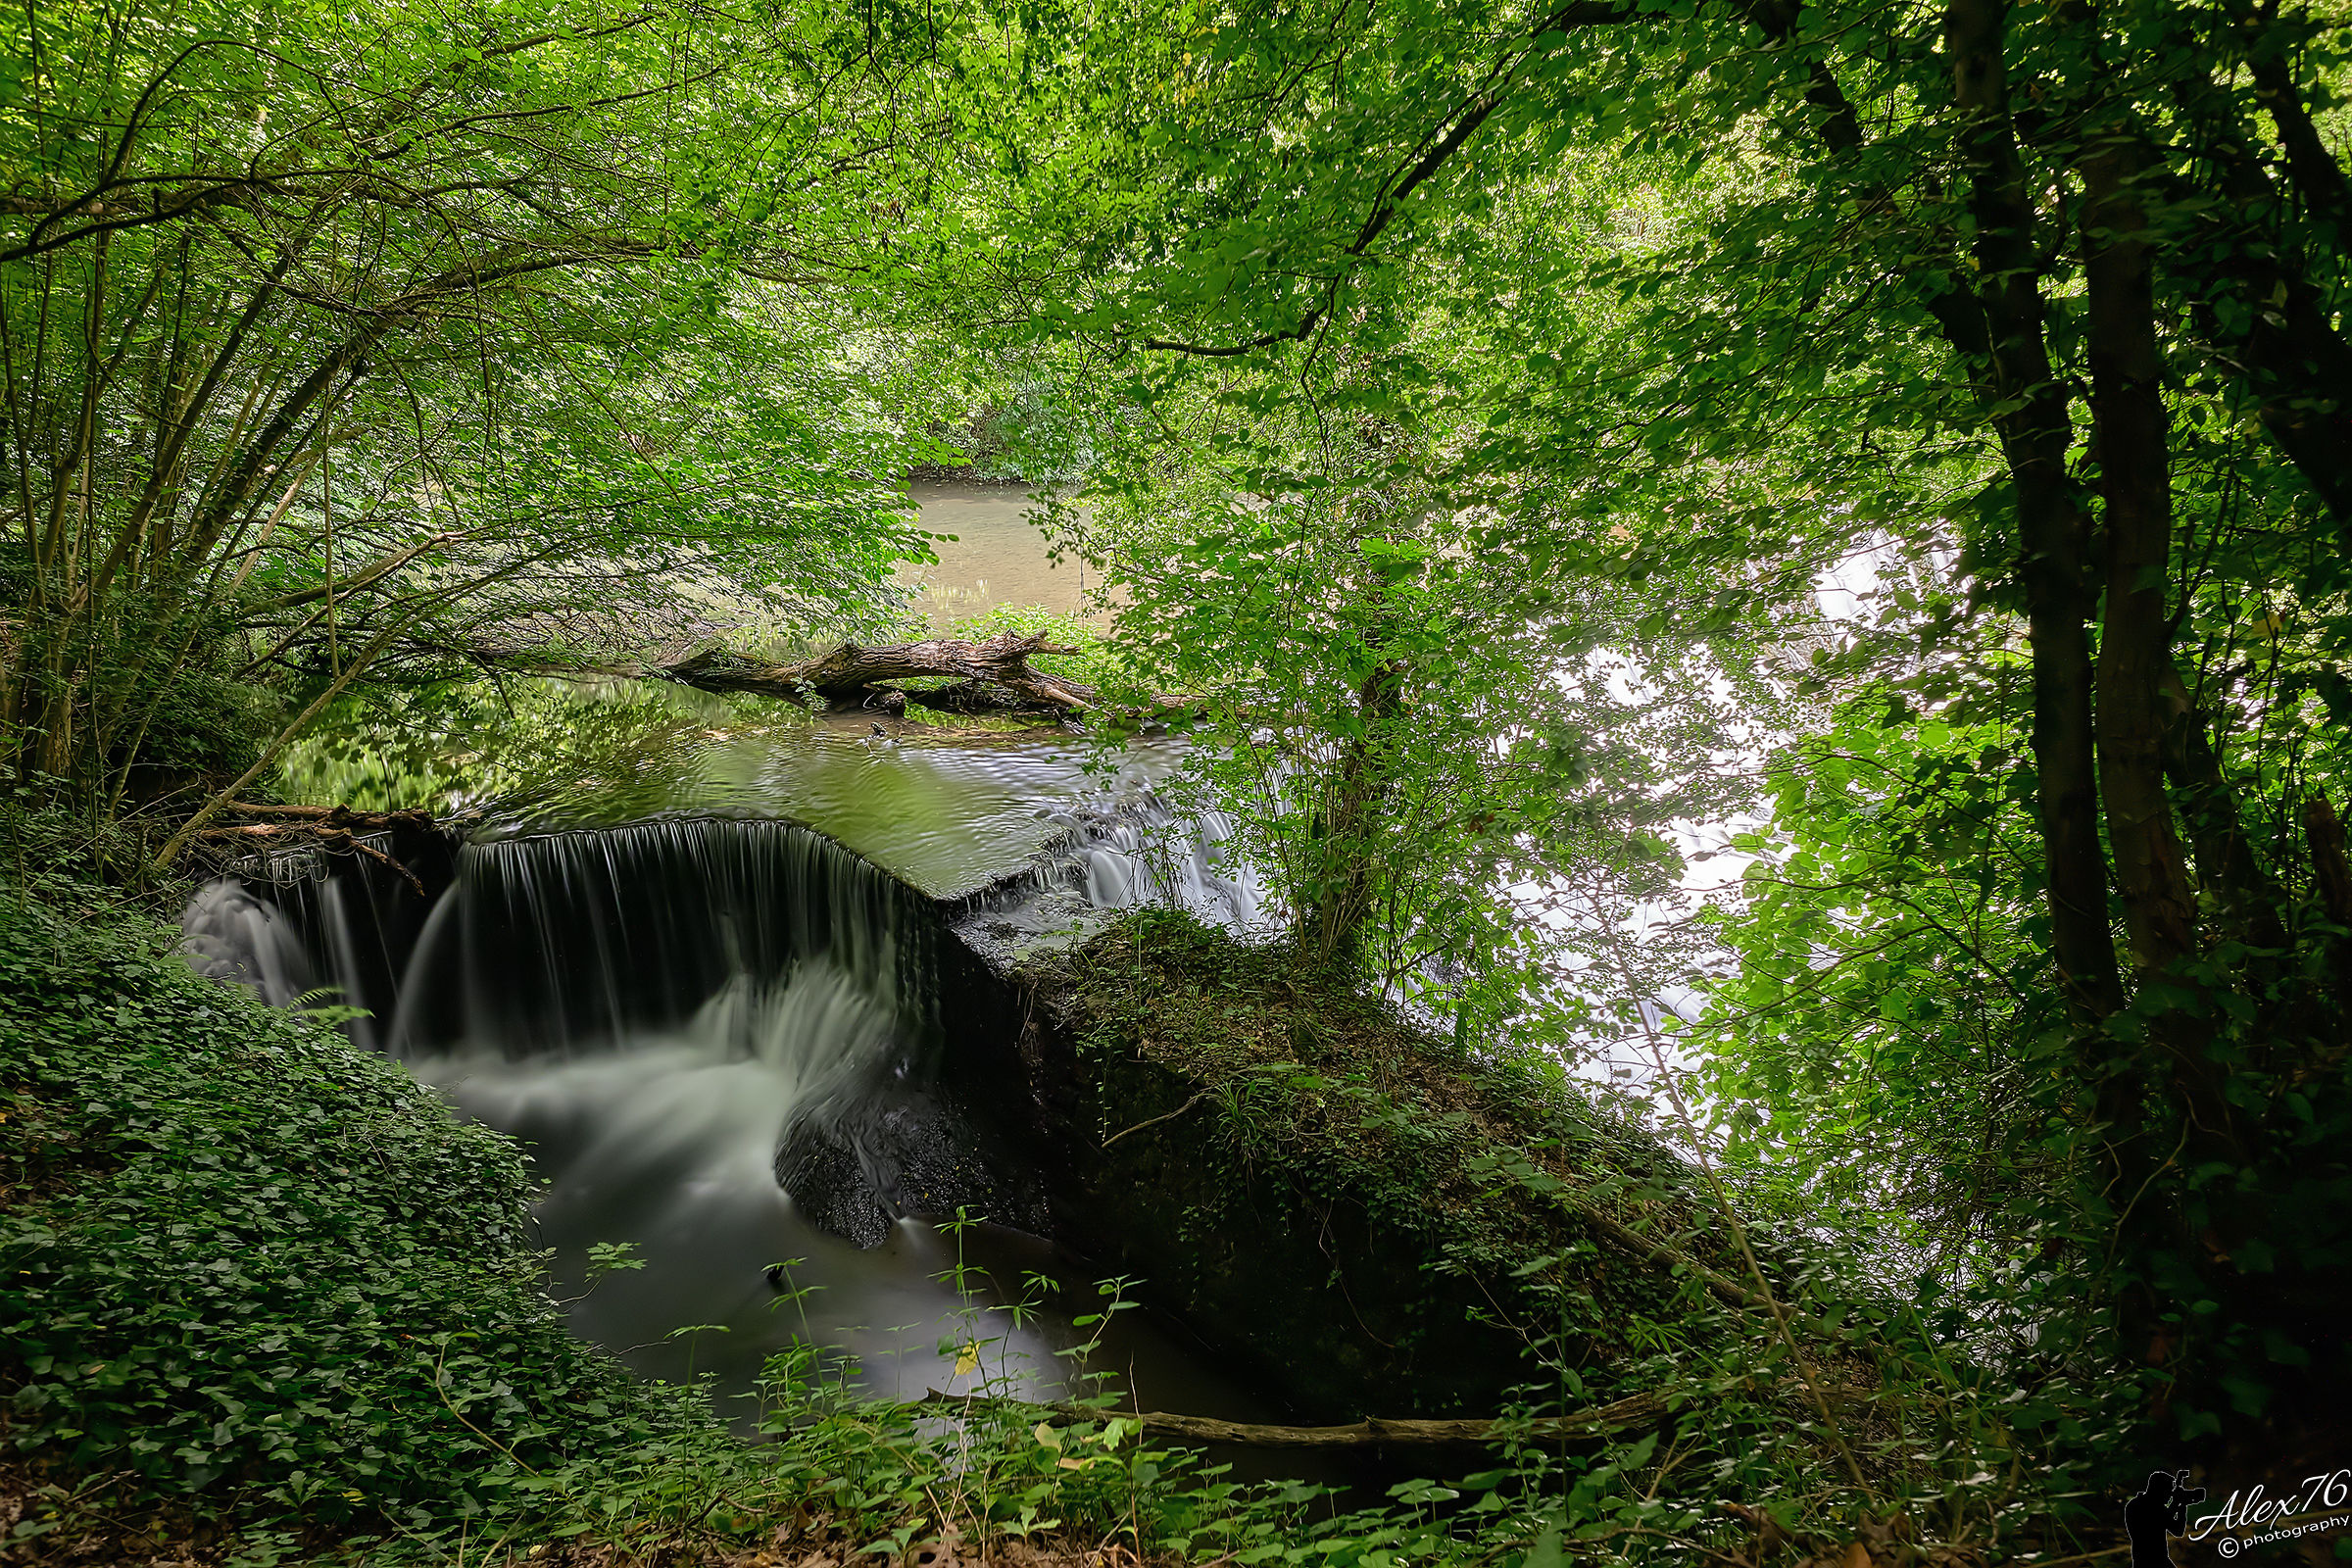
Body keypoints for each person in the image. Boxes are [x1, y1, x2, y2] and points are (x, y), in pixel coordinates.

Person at [2125, 1471, 2203, 1567]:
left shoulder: (2137, 1505)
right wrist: (2179, 1504)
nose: (2170, 1494)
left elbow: (2176, 1529)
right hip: (2151, 1561)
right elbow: (2163, 1522)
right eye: (2169, 1490)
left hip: (2152, 1560)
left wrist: (2181, 1505)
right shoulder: (2141, 1506)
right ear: (2159, 1489)